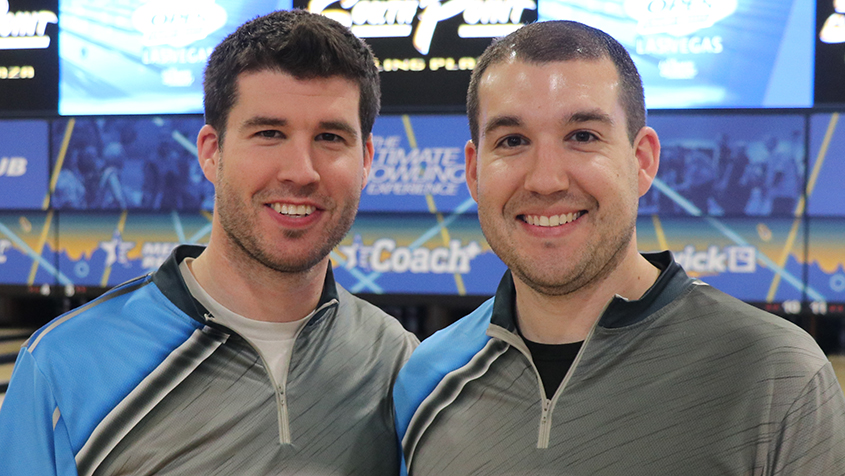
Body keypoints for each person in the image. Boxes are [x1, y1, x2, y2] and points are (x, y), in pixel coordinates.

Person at [393, 20, 845, 475]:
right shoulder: (427, 379)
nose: (546, 180)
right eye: (512, 141)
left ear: (642, 160)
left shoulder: (777, 374)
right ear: (474, 173)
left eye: (582, 136)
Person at [0, 10, 418, 476]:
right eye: (269, 133)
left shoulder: (401, 365)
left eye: (330, 137)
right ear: (210, 152)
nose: (301, 171)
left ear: (366, 160)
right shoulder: (62, 366)